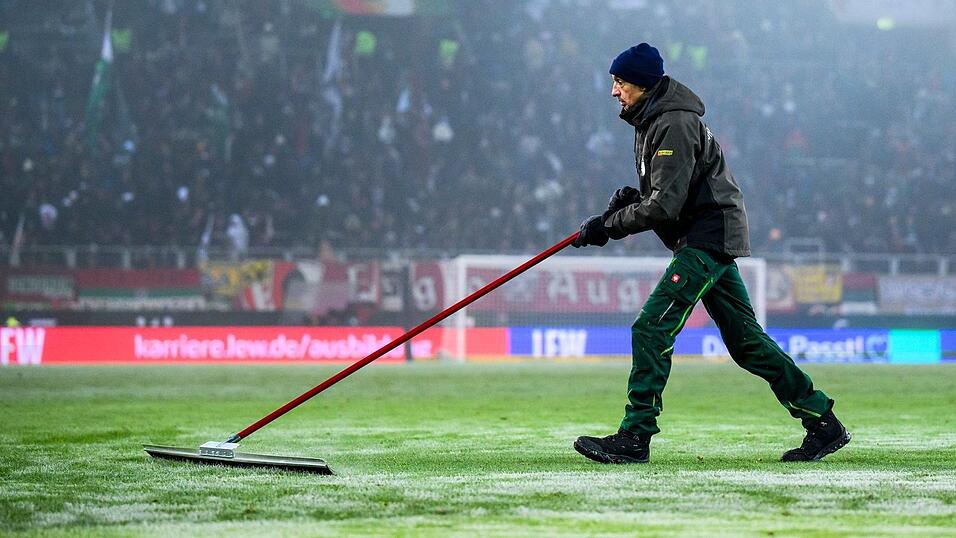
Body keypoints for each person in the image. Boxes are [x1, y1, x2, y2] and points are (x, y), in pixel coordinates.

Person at [571, 43, 850, 464]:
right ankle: (824, 423)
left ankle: (635, 436)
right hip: (705, 235)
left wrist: (608, 226)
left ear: (644, 84)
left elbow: (665, 205)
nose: (614, 91)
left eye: (620, 82)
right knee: (747, 343)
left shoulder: (673, 123)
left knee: (651, 328)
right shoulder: (652, 121)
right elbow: (667, 191)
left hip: (707, 237)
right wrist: (630, 200)